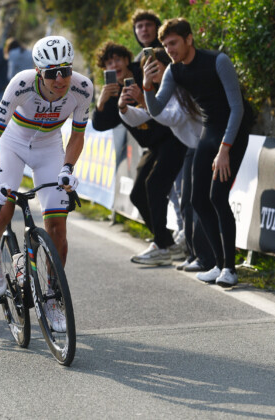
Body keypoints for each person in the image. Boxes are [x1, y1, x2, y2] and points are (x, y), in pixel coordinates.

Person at [0, 35, 93, 330]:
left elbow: (78, 135)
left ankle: (54, 298)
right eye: (52, 73)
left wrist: (67, 167)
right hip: (12, 145)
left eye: (65, 71)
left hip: (49, 148)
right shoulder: (21, 83)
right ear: (38, 71)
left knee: (57, 227)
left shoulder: (82, 88)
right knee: (1, 212)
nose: (60, 80)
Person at [144, 18, 254, 286]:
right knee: (198, 200)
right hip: (210, 129)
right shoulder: (173, 70)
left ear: (189, 39)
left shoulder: (218, 61)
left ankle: (230, 269)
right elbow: (156, 109)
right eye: (165, 46)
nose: (169, 50)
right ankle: (218, 263)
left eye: (173, 43)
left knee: (218, 197)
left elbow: (237, 108)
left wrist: (225, 149)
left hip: (234, 129)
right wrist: (147, 86)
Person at [119, 47, 214, 272]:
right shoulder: (160, 89)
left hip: (202, 145)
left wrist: (143, 98)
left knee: (197, 201)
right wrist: (123, 107)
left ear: (168, 66)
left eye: (155, 67)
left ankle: (204, 256)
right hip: (189, 146)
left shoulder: (179, 86)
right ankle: (187, 251)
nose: (151, 72)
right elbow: (141, 117)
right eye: (147, 69)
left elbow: (171, 117)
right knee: (186, 201)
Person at [92, 41, 186, 266]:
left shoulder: (144, 70)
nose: (114, 65)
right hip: (153, 145)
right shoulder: (113, 91)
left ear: (127, 60)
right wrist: (102, 101)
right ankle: (166, 244)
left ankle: (163, 245)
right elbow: (99, 125)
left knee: (154, 186)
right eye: (108, 63)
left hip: (172, 136)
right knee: (137, 195)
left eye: (117, 59)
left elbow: (165, 102)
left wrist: (142, 95)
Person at [131, 9, 185, 243]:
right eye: (139, 26)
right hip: (157, 138)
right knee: (144, 191)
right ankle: (165, 240)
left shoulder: (172, 57)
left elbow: (168, 107)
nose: (144, 30)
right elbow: (143, 109)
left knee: (179, 191)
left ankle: (172, 241)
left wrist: (145, 101)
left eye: (148, 25)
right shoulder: (137, 62)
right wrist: (117, 106)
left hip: (179, 135)